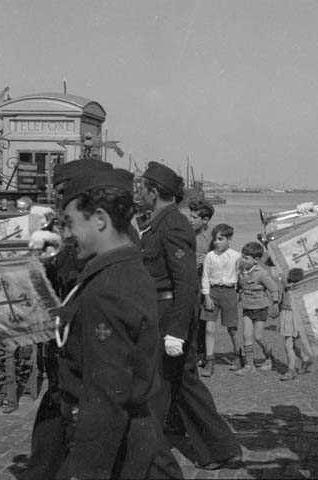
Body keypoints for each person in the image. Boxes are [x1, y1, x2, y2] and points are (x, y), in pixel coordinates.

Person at [52, 168, 182, 479]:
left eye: (70, 223)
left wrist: (82, 471)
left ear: (99, 219)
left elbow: (106, 395)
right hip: (136, 430)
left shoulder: (107, 287)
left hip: (116, 440)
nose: (67, 234)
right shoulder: (127, 267)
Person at [138, 161, 241, 470]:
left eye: (141, 188)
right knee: (179, 382)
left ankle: (150, 451)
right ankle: (219, 448)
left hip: (169, 314)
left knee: (171, 381)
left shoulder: (173, 225)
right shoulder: (155, 222)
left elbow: (186, 283)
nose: (138, 192)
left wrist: (177, 330)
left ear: (154, 192)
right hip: (159, 312)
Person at [21, 158, 114, 480]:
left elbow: (90, 272)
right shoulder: (79, 222)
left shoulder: (106, 224)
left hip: (94, 338)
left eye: (65, 191)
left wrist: (58, 250)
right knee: (56, 407)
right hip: (67, 340)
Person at [199, 223, 242, 377]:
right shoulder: (210, 256)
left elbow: (240, 274)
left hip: (229, 292)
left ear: (229, 238)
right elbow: (205, 277)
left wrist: (238, 292)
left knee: (232, 328)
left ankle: (238, 356)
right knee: (209, 328)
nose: (216, 242)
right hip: (213, 292)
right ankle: (210, 361)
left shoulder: (237, 256)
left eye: (220, 239)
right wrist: (207, 296)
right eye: (215, 239)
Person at [235, 241, 280, 375]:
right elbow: (239, 287)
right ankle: (249, 365)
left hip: (260, 308)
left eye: (246, 258)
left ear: (256, 260)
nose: (243, 260)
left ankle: (269, 357)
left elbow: (274, 289)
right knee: (246, 335)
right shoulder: (241, 271)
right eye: (242, 257)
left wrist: (275, 304)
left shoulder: (262, 273)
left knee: (258, 337)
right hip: (247, 307)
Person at [187, 199, 216, 365]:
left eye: (194, 217)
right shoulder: (186, 233)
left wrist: (206, 260)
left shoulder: (213, 237)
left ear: (205, 220)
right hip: (189, 278)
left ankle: (202, 352)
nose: (190, 220)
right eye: (189, 216)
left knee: (203, 318)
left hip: (205, 281)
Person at [277, 267, 312, 381]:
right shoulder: (286, 287)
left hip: (294, 317)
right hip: (286, 314)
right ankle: (305, 359)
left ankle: (291, 370)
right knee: (291, 344)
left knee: (288, 344)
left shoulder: (299, 289)